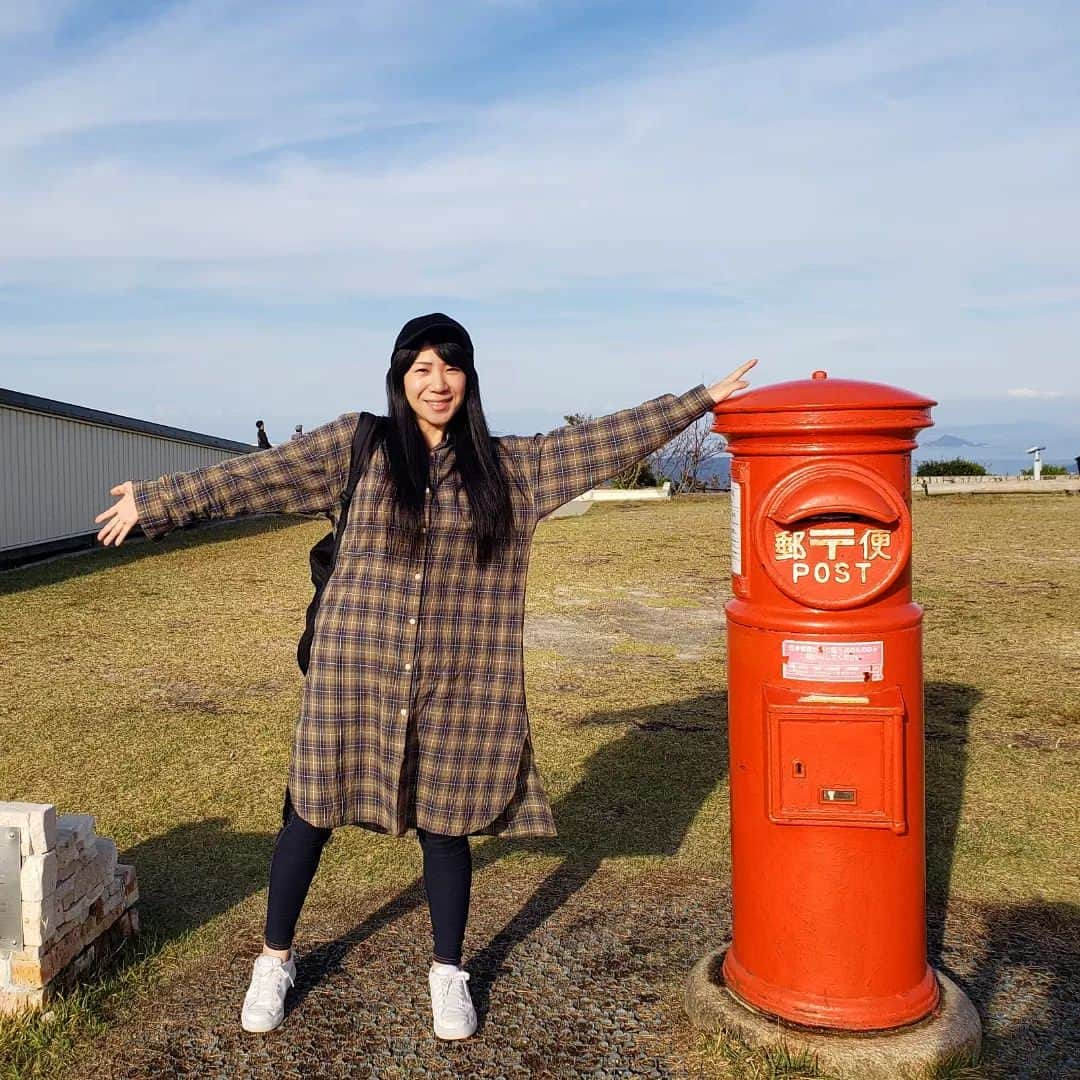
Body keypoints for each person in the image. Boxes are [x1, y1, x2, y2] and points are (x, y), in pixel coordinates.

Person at [93, 313, 756, 1041]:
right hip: (353, 675)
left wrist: (697, 401)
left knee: (447, 828)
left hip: (458, 681)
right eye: (421, 370)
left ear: (468, 377)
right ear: (400, 377)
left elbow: (600, 441)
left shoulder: (512, 468)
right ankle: (274, 960)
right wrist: (155, 502)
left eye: (450, 367)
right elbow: (253, 476)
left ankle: (448, 973)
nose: (436, 383)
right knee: (309, 817)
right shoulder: (359, 446)